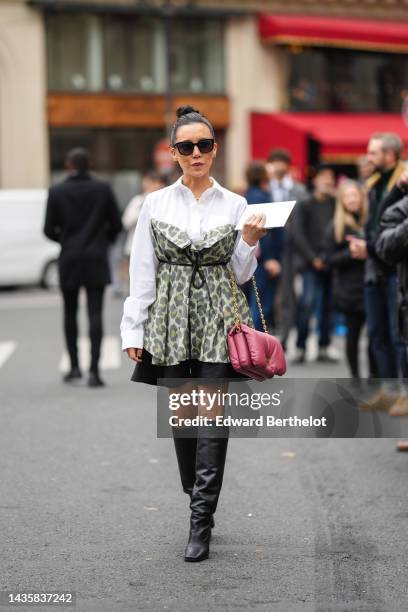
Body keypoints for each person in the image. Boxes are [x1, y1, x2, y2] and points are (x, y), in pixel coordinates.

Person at [120, 106, 266, 562]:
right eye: (187, 147)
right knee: (184, 422)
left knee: (212, 422)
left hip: (221, 319)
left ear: (215, 149)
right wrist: (133, 325)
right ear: (174, 153)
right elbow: (142, 269)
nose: (197, 153)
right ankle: (194, 492)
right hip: (170, 321)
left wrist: (249, 241)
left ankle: (200, 521)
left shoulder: (236, 204)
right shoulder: (156, 203)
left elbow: (240, 273)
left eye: (204, 145)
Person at [44, 147, 123, 387]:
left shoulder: (57, 191)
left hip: (69, 257)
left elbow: (48, 229)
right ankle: (95, 372)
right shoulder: (103, 189)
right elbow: (116, 224)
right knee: (95, 313)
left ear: (69, 165)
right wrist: (102, 241)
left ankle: (75, 368)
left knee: (69, 313)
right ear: (89, 165)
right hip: (96, 257)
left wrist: (66, 241)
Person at [348, 133, 406, 411]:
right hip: (374, 268)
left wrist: (369, 247)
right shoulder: (373, 184)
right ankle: (389, 389)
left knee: (399, 335)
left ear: (391, 155)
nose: (368, 158)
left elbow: (393, 227)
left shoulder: (402, 181)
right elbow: (376, 223)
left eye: (374, 153)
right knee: (378, 334)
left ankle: (404, 392)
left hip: (395, 269)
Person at [323, 180, 372, 379]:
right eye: (348, 196)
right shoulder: (336, 227)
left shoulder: (370, 222)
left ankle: (376, 375)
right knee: (353, 335)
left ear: (362, 198)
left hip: (372, 285)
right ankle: (355, 375)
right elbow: (328, 259)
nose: (352, 199)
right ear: (342, 200)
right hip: (350, 290)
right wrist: (350, 253)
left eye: (355, 195)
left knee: (376, 336)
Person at [291, 165, 337, 363]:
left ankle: (324, 347)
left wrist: (329, 257)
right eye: (324, 177)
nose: (328, 181)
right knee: (307, 303)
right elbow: (298, 234)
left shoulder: (336, 204)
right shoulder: (304, 204)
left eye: (330, 177)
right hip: (310, 264)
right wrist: (313, 258)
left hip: (331, 262)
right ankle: (301, 347)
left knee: (329, 306)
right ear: (315, 180)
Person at [265, 149, 308, 349]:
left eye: (282, 162)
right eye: (275, 162)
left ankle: (290, 338)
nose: (279, 166)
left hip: (294, 250)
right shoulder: (266, 190)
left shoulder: (299, 190)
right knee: (269, 296)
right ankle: (273, 337)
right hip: (271, 249)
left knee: (293, 297)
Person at [244, 161, 284, 331]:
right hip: (263, 262)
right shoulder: (259, 197)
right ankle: (257, 347)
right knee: (261, 307)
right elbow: (263, 233)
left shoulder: (250, 195)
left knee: (258, 305)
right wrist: (270, 259)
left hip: (258, 260)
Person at [122, 171, 166, 260]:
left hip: (160, 250)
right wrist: (145, 207)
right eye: (152, 182)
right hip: (136, 248)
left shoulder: (166, 202)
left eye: (159, 182)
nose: (156, 186)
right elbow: (126, 222)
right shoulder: (138, 200)